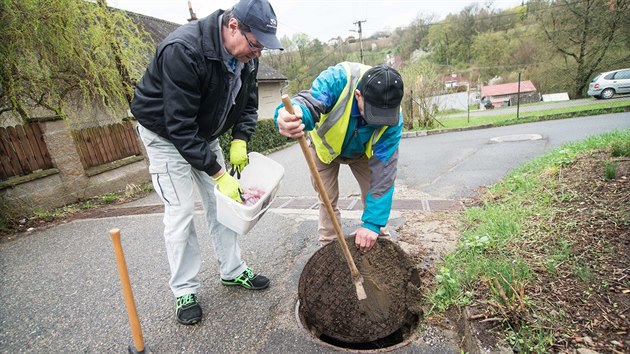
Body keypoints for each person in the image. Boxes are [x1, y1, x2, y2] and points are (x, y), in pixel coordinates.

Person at [130, 0, 283, 325]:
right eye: (255, 45)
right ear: (232, 27)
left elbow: (249, 103)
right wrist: (218, 173)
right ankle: (184, 289)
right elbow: (180, 128)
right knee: (181, 211)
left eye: (261, 48)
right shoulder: (182, 51)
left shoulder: (247, 57)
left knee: (224, 205)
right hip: (165, 135)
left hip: (203, 131)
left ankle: (232, 270)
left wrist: (241, 138)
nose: (257, 54)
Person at [275, 62, 404, 254]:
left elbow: (384, 175)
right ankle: (329, 251)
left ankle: (378, 245)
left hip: (361, 153)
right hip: (325, 151)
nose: (377, 122)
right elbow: (310, 101)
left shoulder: (393, 117)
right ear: (358, 96)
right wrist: (296, 113)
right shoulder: (339, 79)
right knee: (327, 201)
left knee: (373, 198)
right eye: (372, 114)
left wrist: (372, 224)